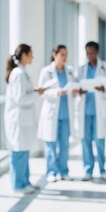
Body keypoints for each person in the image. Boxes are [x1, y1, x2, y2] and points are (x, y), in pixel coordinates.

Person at [4, 44, 43, 194]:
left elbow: (23, 93)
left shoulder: (22, 72)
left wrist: (34, 91)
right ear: (24, 55)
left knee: (24, 151)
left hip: (23, 119)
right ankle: (18, 185)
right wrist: (36, 95)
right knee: (18, 153)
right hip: (17, 119)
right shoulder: (18, 74)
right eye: (31, 54)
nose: (33, 57)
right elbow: (20, 98)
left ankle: (25, 181)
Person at [37, 45, 78, 183]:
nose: (65, 57)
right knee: (51, 146)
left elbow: (75, 86)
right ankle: (51, 172)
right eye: (62, 55)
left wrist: (74, 91)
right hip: (51, 114)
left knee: (65, 146)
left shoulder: (70, 71)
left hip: (66, 115)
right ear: (54, 55)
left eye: (66, 54)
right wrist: (56, 92)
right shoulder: (46, 71)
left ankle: (64, 171)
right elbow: (41, 92)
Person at [76, 41, 106, 181]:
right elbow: (76, 87)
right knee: (86, 141)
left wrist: (103, 89)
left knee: (100, 141)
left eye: (92, 53)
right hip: (85, 110)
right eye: (87, 53)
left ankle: (102, 170)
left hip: (99, 110)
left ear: (97, 52)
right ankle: (88, 170)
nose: (89, 55)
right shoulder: (81, 69)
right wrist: (80, 90)